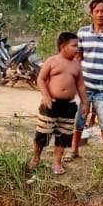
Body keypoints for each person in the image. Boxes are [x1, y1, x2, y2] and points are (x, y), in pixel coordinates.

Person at [71, 0, 103, 163]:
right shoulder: (83, 32)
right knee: (79, 119)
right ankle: (74, 150)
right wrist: (73, 79)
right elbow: (78, 57)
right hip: (84, 86)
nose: (100, 14)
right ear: (91, 13)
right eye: (97, 11)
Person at [32, 32, 87, 176]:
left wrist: (85, 103)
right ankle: (36, 158)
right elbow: (41, 79)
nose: (77, 49)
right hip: (51, 103)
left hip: (69, 106)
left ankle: (57, 162)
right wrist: (46, 96)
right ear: (63, 47)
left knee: (64, 135)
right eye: (74, 46)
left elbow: (80, 86)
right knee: (42, 133)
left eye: (77, 46)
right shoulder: (52, 61)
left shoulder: (76, 66)